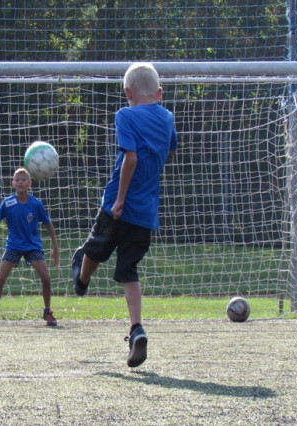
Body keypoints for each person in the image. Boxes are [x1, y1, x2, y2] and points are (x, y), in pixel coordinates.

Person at [71, 62, 178, 367]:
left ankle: (82, 280)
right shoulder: (167, 117)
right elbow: (170, 150)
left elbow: (130, 158)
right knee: (129, 270)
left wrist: (119, 200)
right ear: (159, 92)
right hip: (145, 213)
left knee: (96, 250)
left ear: (127, 93)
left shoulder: (125, 115)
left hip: (118, 207)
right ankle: (136, 329)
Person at [0, 167, 60, 326]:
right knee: (0, 278)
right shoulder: (8, 203)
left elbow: (48, 224)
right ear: (13, 184)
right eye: (17, 179)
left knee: (46, 278)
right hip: (13, 246)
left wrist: (55, 248)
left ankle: (47, 312)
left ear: (29, 183)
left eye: (23, 179)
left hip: (32, 246)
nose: (20, 182)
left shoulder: (36, 204)